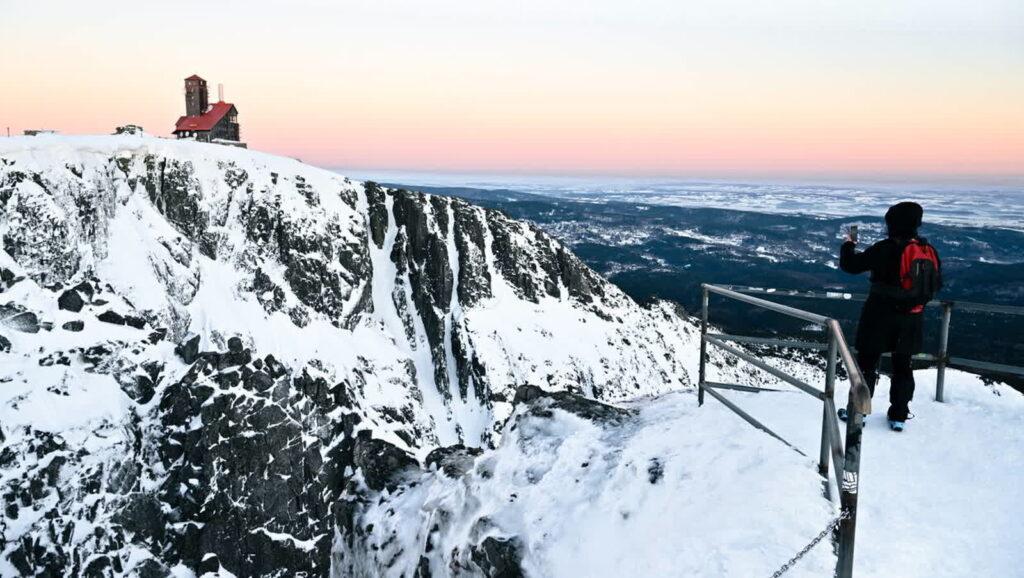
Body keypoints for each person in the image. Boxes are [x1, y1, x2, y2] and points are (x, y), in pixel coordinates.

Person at [838, 202, 941, 431]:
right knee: (903, 364)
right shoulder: (926, 249)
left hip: (879, 314)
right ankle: (899, 415)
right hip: (912, 317)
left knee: (867, 363)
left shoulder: (884, 248)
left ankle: (858, 411)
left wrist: (848, 245)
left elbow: (851, 265)